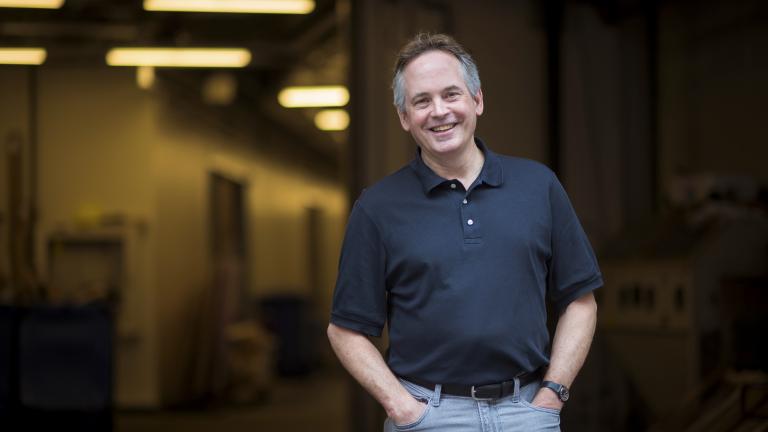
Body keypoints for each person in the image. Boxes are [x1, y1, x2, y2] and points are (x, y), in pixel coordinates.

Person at [327, 33, 601, 432]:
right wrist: (404, 409)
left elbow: (580, 300)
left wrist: (551, 396)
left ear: (477, 100)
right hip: (429, 416)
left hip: (527, 412)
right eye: (421, 101)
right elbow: (345, 330)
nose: (439, 111)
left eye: (451, 94)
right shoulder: (377, 208)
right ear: (405, 118)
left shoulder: (538, 186)